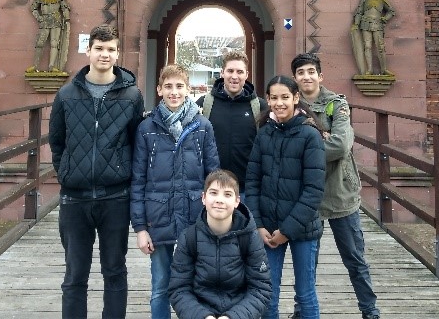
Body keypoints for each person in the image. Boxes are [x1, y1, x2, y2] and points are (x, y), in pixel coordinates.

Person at [49, 24, 145, 319]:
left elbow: (135, 140)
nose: (105, 54)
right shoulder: (66, 94)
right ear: (88, 50)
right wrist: (66, 173)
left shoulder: (132, 95)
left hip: (115, 197)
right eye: (99, 48)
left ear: (118, 53)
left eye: (110, 49)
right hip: (74, 199)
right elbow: (57, 142)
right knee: (74, 275)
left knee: (114, 271)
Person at [291, 52, 381, 319]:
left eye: (311, 71)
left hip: (341, 190)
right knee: (307, 262)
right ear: (295, 78)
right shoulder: (291, 105)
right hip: (308, 194)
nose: (306, 77)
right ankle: (301, 311)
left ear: (320, 76)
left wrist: (306, 147)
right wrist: (322, 138)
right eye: (301, 73)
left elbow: (341, 145)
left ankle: (370, 310)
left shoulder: (336, 104)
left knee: (354, 258)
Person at [131, 64, 220, 319]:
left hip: (194, 217)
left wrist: (213, 219)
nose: (174, 92)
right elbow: (138, 180)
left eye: (179, 86)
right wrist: (140, 228)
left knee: (197, 284)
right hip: (158, 217)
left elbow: (214, 178)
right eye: (168, 86)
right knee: (160, 286)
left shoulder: (202, 126)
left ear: (188, 89)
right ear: (159, 90)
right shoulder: (146, 128)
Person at [245, 76, 325, 319]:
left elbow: (314, 190)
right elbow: (253, 182)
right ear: (267, 100)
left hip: (303, 228)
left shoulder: (310, 136)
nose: (279, 103)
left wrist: (287, 231)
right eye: (274, 98)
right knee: (268, 293)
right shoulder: (264, 134)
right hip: (269, 228)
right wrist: (258, 225)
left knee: (305, 293)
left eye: (285, 97)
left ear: (296, 98)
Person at [168, 169, 272, 319]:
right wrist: (203, 316)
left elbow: (260, 289)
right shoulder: (189, 238)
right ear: (203, 198)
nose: (219, 200)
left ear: (237, 201)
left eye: (227, 194)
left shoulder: (250, 238)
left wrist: (232, 317)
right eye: (213, 193)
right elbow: (179, 289)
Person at [196, 50, 266, 196]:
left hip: (247, 188)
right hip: (212, 187)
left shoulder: (260, 106)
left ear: (246, 75)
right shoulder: (204, 104)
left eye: (240, 72)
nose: (234, 76)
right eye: (230, 71)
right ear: (222, 73)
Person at [26, 0, 71, 73]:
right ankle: (35, 66)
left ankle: (51, 66)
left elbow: (64, 7)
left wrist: (67, 18)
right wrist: (39, 17)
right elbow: (33, 8)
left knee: (54, 43)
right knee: (40, 43)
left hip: (56, 20)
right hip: (45, 21)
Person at [351, 0, 395, 75]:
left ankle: (384, 69)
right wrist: (356, 24)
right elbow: (359, 12)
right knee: (367, 46)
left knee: (380, 47)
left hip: (377, 24)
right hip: (365, 24)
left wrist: (385, 18)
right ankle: (369, 69)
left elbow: (391, 11)